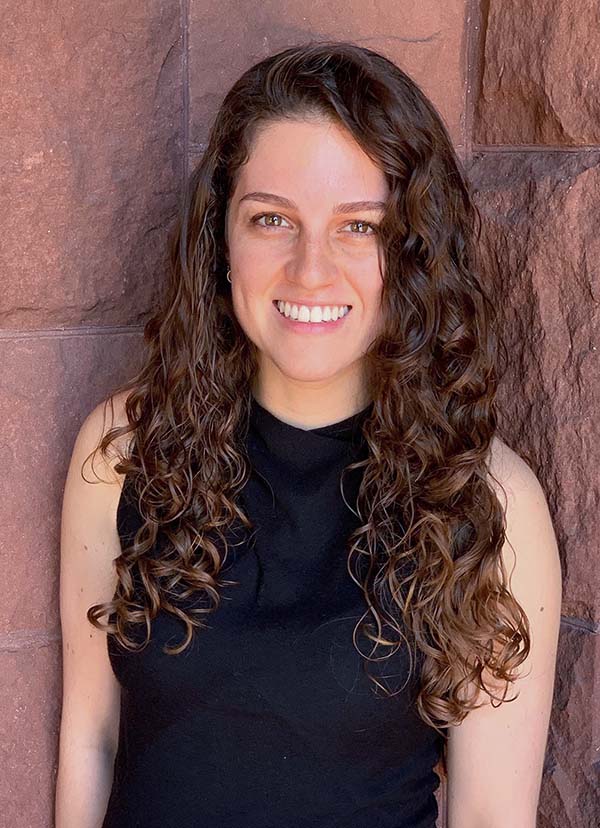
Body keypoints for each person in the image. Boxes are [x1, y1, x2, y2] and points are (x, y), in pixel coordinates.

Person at [55, 40, 562, 828]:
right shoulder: (122, 451)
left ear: (414, 251)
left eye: (360, 227)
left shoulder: (486, 501)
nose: (311, 269)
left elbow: (491, 811)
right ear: (220, 240)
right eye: (271, 219)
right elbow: (91, 736)